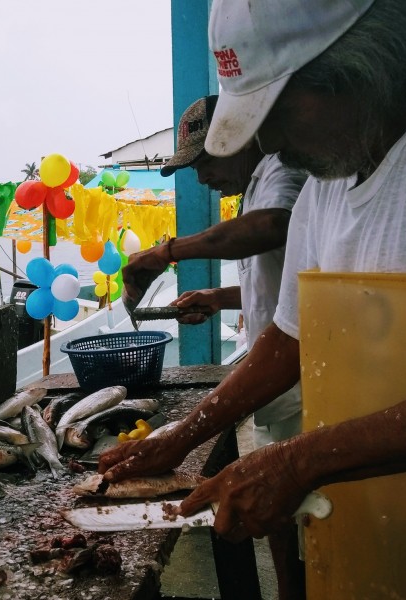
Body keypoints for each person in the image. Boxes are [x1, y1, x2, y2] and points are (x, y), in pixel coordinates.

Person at [101, 0, 406, 597]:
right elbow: (291, 337)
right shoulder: (327, 179)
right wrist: (182, 437)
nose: (268, 140)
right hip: (369, 530)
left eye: (275, 109)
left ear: (358, 68)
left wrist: (298, 461)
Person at [125, 94, 308, 595]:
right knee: (281, 512)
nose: (201, 178)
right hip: (281, 369)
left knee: (305, 511)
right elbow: (276, 282)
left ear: (238, 136)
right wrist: (220, 298)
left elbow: (275, 227)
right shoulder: (253, 188)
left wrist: (166, 252)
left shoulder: (279, 168)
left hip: (305, 373)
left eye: (204, 161)